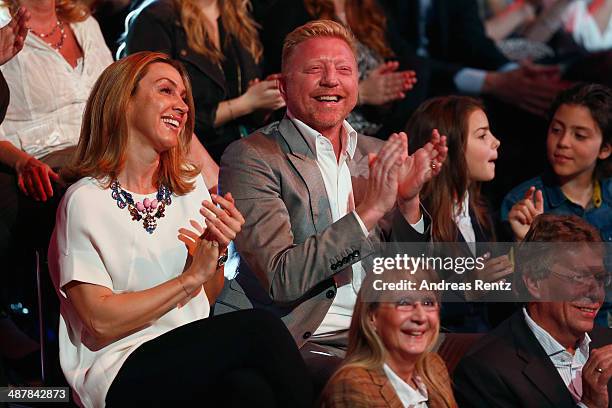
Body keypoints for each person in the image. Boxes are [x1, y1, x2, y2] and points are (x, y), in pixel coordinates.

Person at [48, 51, 313, 408]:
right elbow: (100, 321)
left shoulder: (189, 190)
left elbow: (208, 296)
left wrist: (216, 253)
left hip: (189, 349)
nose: (182, 106)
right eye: (166, 91)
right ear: (124, 101)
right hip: (118, 368)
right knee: (260, 329)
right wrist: (188, 279)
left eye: (184, 98)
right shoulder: (85, 201)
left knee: (250, 391)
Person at [215, 19, 447, 387]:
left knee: (477, 361)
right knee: (375, 381)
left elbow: (415, 277)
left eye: (344, 70)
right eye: (314, 70)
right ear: (283, 86)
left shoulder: (374, 153)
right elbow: (282, 279)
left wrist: (408, 203)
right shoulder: (251, 157)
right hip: (301, 337)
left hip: (380, 330)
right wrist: (369, 212)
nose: (331, 81)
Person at [453, 214, 612, 408]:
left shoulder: (607, 343)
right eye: (579, 277)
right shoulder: (485, 370)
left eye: (600, 278)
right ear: (534, 282)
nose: (596, 293)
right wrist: (590, 405)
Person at [124, 0, 286, 163]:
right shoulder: (156, 18)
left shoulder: (239, 17)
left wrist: (264, 100)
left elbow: (248, 109)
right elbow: (152, 111)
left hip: (246, 154)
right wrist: (245, 103)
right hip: (186, 159)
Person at [406, 96, 514, 331]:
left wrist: (521, 239)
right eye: (482, 135)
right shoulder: (415, 219)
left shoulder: (482, 212)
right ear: (451, 148)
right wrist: (466, 289)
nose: (496, 142)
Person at [255, 0, 422, 137]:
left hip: (376, 133)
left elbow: (408, 63)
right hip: (318, 138)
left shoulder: (371, 10)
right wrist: (361, 94)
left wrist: (388, 94)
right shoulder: (290, 10)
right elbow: (286, 90)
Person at [320, 267, 458, 407]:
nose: (421, 317)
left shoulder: (433, 366)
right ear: (372, 317)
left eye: (428, 303)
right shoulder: (353, 387)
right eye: (404, 303)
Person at [502, 83, 611, 243]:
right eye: (556, 130)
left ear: (605, 149)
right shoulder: (523, 204)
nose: (563, 142)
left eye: (579, 135)